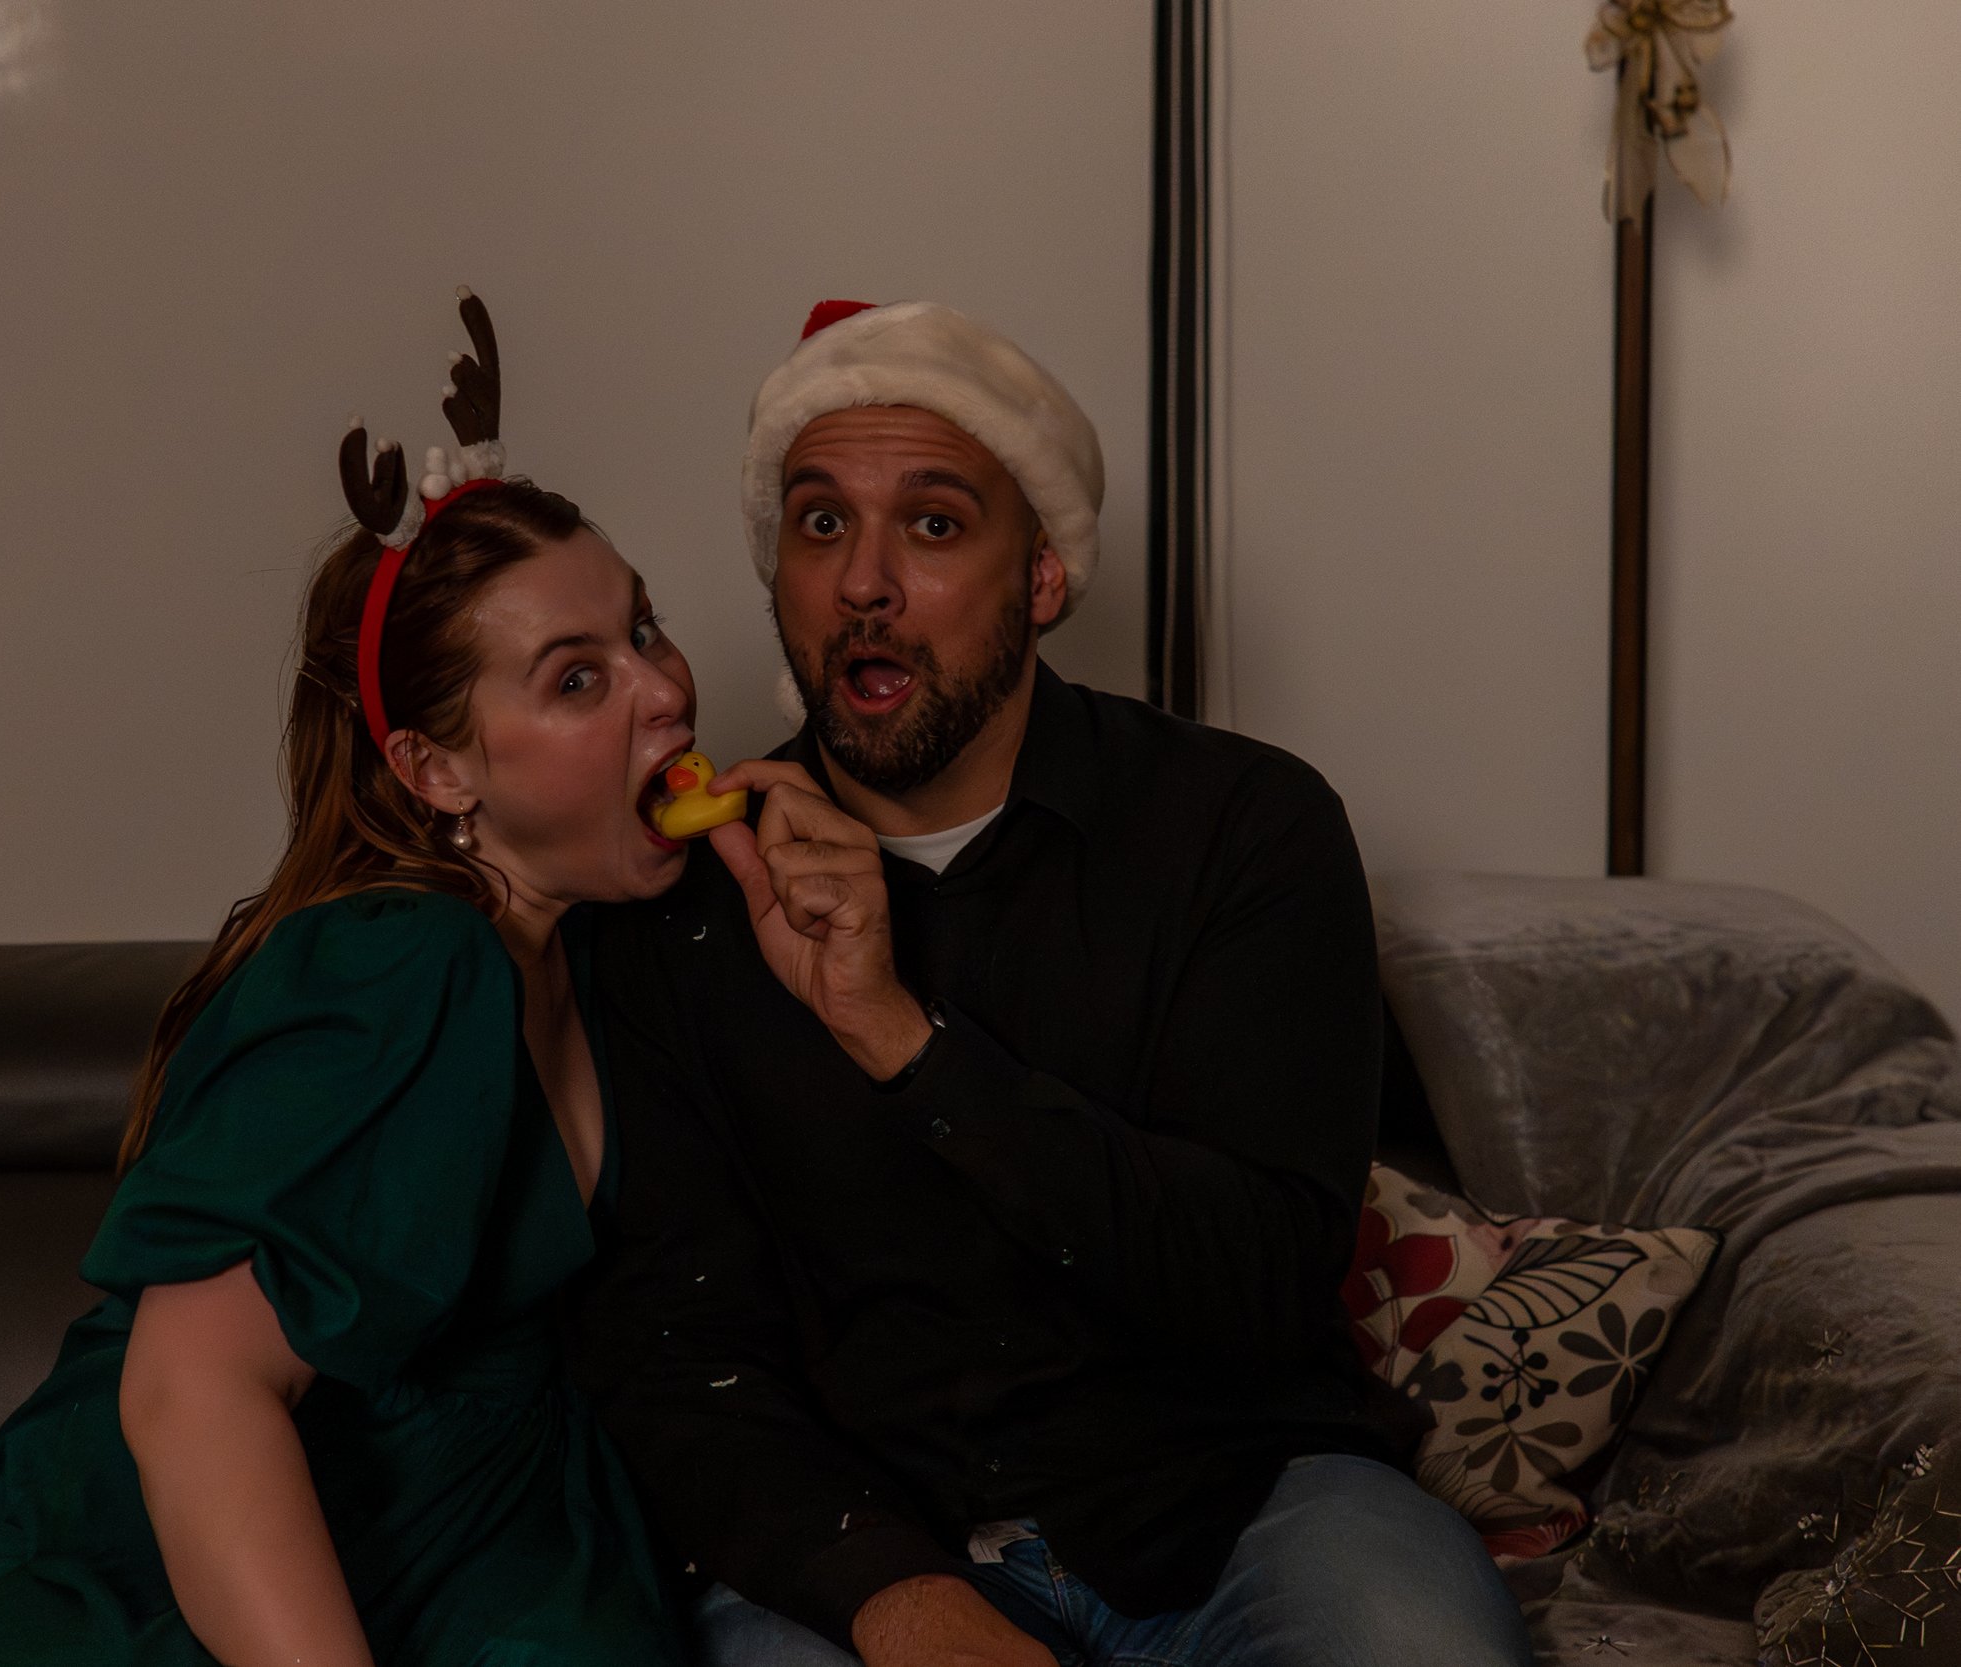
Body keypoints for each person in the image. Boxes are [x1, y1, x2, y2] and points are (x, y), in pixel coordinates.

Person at [576, 299, 1536, 1667]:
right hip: (866, 1541)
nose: (862, 584)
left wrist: (899, 1035)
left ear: (1042, 579)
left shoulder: (1243, 832)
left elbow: (1259, 1278)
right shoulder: (674, 914)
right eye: (821, 522)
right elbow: (676, 1360)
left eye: (934, 524)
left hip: (1241, 1506)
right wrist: (898, 1599)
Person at [0, 295, 692, 1667]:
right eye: (577, 679)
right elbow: (195, 1394)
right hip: (181, 1606)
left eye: (644, 631)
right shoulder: (400, 959)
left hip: (473, 1538)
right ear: (438, 773)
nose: (666, 691)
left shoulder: (609, 940)